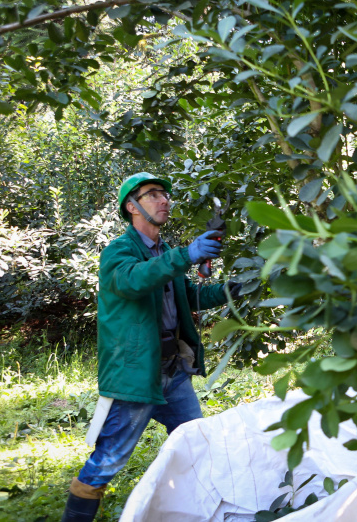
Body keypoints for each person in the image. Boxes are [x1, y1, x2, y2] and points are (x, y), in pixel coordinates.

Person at [61, 172, 238, 522]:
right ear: (132, 206)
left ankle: (199, 512)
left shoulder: (167, 253)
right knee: (108, 459)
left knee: (197, 443)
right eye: (153, 194)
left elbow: (190, 296)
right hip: (137, 375)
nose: (164, 200)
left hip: (173, 371)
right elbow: (132, 282)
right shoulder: (119, 251)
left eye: (165, 195)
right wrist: (188, 254)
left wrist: (233, 289)